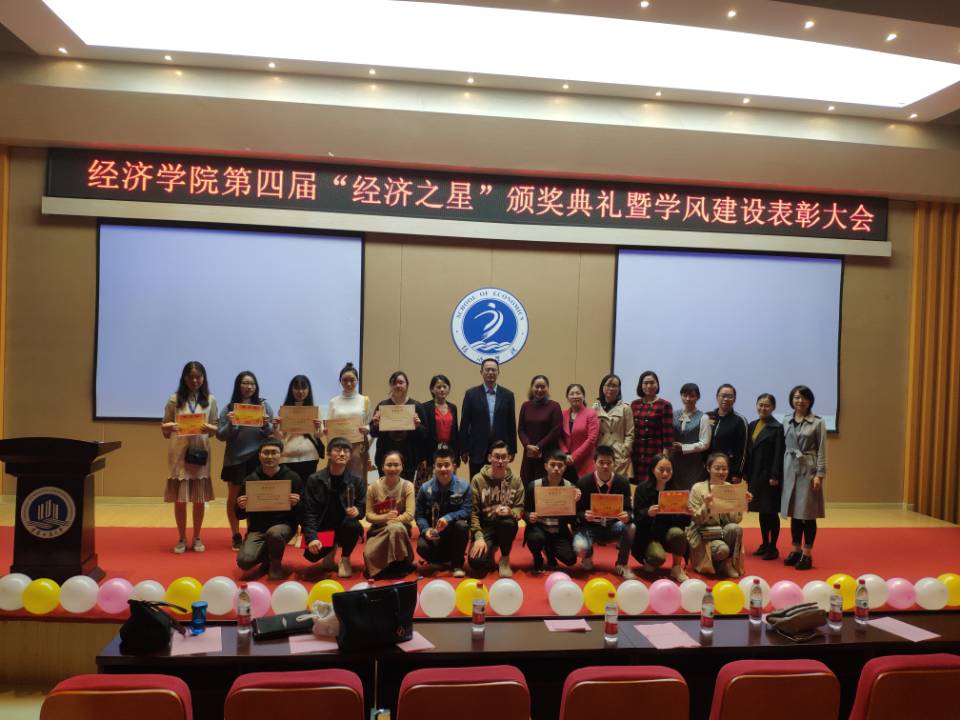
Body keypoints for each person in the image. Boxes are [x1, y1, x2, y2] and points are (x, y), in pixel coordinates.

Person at [161, 361, 218, 554]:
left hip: (200, 454)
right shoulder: (174, 399)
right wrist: (169, 427)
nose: (195, 380)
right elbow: (164, 429)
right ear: (184, 378)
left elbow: (215, 429)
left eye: (198, 377)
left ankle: (197, 536)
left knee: (199, 499)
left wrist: (210, 428)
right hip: (179, 455)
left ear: (203, 378)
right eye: (191, 377)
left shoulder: (210, 400)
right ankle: (181, 537)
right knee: (180, 500)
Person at [217, 370, 275, 551]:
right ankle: (236, 534)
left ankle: (252, 532)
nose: (249, 387)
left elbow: (271, 431)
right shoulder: (229, 408)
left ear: (256, 386)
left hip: (257, 459)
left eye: (252, 384)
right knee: (234, 498)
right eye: (245, 383)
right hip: (235, 459)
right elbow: (220, 435)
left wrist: (266, 424)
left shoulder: (264, 405)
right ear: (238, 386)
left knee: (254, 499)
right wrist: (231, 424)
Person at [235, 439, 303, 580]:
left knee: (274, 533)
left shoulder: (293, 478)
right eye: (266, 453)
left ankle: (275, 563)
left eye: (274, 453)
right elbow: (239, 515)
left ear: (281, 455)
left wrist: (297, 504)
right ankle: (268, 557)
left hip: (283, 527)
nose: (269, 456)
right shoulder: (250, 480)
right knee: (244, 562)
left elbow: (304, 511)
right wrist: (241, 506)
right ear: (259, 455)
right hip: (258, 529)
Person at [301, 437, 365, 578]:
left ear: (350, 456)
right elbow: (309, 512)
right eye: (337, 450)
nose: (342, 454)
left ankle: (345, 559)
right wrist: (312, 538)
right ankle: (330, 551)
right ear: (329, 454)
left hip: (344, 526)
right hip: (324, 526)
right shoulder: (314, 479)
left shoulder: (356, 480)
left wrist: (358, 511)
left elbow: (362, 506)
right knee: (312, 555)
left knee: (353, 525)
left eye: (346, 451)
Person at [573, 445, 636, 579]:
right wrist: (584, 515)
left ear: (614, 463)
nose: (605, 466)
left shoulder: (622, 482)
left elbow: (629, 510)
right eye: (601, 462)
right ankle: (587, 557)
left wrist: (627, 516)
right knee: (579, 547)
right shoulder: (584, 482)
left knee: (631, 527)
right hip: (590, 527)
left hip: (613, 526)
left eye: (609, 463)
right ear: (594, 463)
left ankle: (622, 564)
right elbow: (576, 512)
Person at [781, 385, 826, 571]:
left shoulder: (818, 422)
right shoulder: (786, 420)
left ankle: (807, 553)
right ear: (792, 399)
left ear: (810, 401)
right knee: (795, 512)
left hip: (808, 469)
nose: (800, 401)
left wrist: (819, 474)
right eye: (797, 397)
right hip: (790, 469)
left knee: (808, 513)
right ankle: (795, 549)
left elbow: (822, 450)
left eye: (804, 398)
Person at [686, 452, 752, 578]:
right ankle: (712, 562)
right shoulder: (698, 488)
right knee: (723, 550)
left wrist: (742, 503)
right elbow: (696, 519)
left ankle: (727, 563)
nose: (721, 472)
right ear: (708, 468)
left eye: (724, 468)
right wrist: (706, 505)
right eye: (717, 468)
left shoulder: (730, 488)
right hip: (704, 534)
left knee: (735, 528)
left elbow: (736, 520)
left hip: (722, 532)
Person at [468, 440, 524, 577]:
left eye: (504, 457)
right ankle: (490, 548)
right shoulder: (478, 480)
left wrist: (511, 512)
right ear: (489, 458)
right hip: (485, 526)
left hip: (504, 525)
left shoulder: (516, 481)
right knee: (476, 563)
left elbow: (519, 508)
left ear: (509, 458)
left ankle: (504, 559)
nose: (500, 461)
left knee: (508, 522)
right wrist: (478, 537)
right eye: (497, 457)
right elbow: (473, 512)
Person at [632, 454, 689, 582]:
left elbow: (683, 523)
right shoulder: (642, 489)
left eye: (669, 470)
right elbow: (636, 516)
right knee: (657, 558)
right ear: (653, 470)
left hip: (668, 533)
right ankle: (649, 560)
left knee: (678, 533)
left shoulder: (677, 490)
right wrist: (647, 513)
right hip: (649, 535)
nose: (665, 473)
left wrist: (687, 513)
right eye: (661, 469)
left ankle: (676, 567)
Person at [415, 446, 471, 577]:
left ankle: (457, 564)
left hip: (454, 534)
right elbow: (419, 515)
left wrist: (449, 518)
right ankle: (440, 561)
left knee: (462, 526)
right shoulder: (425, 488)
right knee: (421, 547)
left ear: (454, 466)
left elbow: (467, 510)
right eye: (439, 465)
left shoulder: (464, 486)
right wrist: (426, 530)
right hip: (434, 535)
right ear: (434, 467)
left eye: (447, 465)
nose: (443, 469)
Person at [524, 450, 581, 573]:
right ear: (546, 466)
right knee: (535, 539)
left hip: (559, 531)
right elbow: (525, 510)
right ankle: (538, 557)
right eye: (552, 465)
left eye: (560, 465)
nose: (556, 468)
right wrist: (529, 516)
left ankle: (549, 550)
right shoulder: (534, 485)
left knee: (571, 560)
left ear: (565, 467)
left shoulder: (570, 488)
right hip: (539, 528)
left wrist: (575, 503)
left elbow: (572, 519)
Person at [459, 358, 517, 480]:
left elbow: (511, 424)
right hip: (477, 449)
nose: (490, 373)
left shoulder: (508, 395)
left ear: (498, 372)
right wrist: (463, 449)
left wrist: (512, 449)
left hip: (500, 449)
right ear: (481, 372)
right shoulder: (471, 394)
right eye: (487, 370)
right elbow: (464, 423)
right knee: (477, 482)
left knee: (499, 482)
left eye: (493, 370)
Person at [363, 450, 416, 578]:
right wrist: (385, 517)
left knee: (396, 528)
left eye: (396, 465)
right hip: (379, 530)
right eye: (389, 465)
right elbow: (369, 515)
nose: (392, 468)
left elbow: (409, 515)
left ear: (402, 467)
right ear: (382, 467)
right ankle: (397, 565)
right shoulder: (372, 488)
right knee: (368, 554)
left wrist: (394, 521)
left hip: (401, 529)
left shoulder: (408, 486)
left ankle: (399, 564)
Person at [747, 393, 785, 561]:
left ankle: (773, 547)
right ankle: (764, 543)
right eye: (760, 405)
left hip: (769, 477)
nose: (763, 408)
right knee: (762, 511)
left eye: (767, 405)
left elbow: (779, 454)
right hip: (755, 475)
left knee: (771, 512)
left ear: (773, 408)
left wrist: (775, 475)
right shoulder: (752, 425)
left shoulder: (777, 427)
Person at [369, 370, 422, 481]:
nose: (398, 385)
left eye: (401, 382)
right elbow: (373, 432)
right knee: (385, 490)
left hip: (409, 459)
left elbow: (425, 433)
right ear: (390, 385)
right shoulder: (383, 405)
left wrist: (418, 426)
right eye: (394, 383)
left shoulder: (416, 406)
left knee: (406, 489)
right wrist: (376, 424)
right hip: (385, 458)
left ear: (407, 385)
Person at [272, 374, 324, 483]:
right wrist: (275, 428)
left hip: (310, 457)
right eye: (297, 388)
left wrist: (318, 427)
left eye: (304, 388)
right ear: (291, 390)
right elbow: (280, 437)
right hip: (287, 457)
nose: (300, 391)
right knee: (290, 490)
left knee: (307, 490)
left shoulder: (314, 410)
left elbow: (319, 435)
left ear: (309, 390)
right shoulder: (284, 411)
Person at [327, 362, 373, 479]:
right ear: (340, 381)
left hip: (357, 448)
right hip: (338, 447)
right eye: (345, 380)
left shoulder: (365, 400)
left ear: (357, 380)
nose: (348, 383)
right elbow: (329, 425)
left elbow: (370, 425)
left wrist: (367, 430)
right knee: (337, 479)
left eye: (352, 380)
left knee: (357, 480)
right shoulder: (333, 402)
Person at [517, 374, 563, 485]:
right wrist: (527, 445)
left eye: (543, 387)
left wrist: (538, 447)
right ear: (532, 388)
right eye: (536, 386)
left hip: (547, 455)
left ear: (547, 388)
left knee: (545, 486)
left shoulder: (554, 406)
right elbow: (521, 429)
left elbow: (556, 431)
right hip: (529, 454)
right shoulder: (526, 406)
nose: (539, 389)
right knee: (527, 484)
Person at [416, 374, 459, 491]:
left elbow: (455, 433)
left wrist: (457, 457)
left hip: (449, 452)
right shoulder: (424, 407)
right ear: (432, 389)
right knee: (427, 488)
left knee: (448, 486)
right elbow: (422, 435)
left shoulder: (453, 408)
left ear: (449, 388)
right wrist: (422, 457)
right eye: (438, 387)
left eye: (444, 386)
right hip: (430, 452)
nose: (442, 390)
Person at [630, 370, 674, 484]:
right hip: (636, 451)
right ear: (641, 385)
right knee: (635, 484)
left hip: (655, 450)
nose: (649, 386)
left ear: (657, 384)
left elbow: (668, 435)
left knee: (653, 482)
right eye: (645, 383)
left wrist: (664, 457)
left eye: (652, 383)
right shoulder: (634, 404)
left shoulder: (665, 405)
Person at [592, 373, 634, 480]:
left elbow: (630, 433)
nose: (611, 388)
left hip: (618, 453)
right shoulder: (595, 408)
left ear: (619, 389)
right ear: (602, 387)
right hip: (601, 451)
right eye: (608, 385)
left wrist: (625, 451)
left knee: (619, 485)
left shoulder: (625, 408)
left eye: (615, 386)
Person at [671, 382, 711, 490]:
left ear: (698, 397)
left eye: (692, 396)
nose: (688, 399)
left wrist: (683, 447)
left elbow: (705, 443)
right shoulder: (673, 414)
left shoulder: (703, 417)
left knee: (691, 491)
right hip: (673, 462)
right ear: (681, 396)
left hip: (693, 464)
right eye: (685, 395)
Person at [706, 384, 749, 482]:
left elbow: (743, 451)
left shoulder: (740, 420)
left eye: (730, 396)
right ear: (717, 397)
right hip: (707, 469)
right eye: (723, 395)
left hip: (727, 471)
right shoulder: (707, 416)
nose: (726, 399)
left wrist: (737, 472)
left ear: (734, 399)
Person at [560, 383, 599, 482]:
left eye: (578, 393)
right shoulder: (562, 414)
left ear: (583, 396)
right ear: (567, 397)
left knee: (584, 490)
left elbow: (592, 439)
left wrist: (574, 457)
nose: (575, 396)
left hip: (585, 461)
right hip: (565, 461)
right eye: (571, 394)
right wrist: (565, 454)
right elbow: (559, 437)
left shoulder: (591, 414)